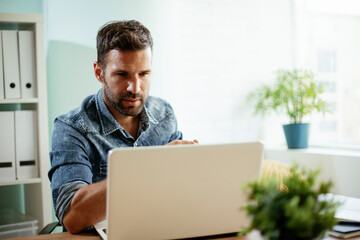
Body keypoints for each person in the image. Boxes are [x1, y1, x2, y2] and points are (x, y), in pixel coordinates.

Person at [48, 20, 198, 234]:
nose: (135, 88)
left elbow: (179, 186)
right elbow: (72, 215)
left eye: (143, 74)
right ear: (99, 72)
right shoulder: (72, 128)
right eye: (122, 74)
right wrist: (153, 165)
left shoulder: (164, 113)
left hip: (161, 227)